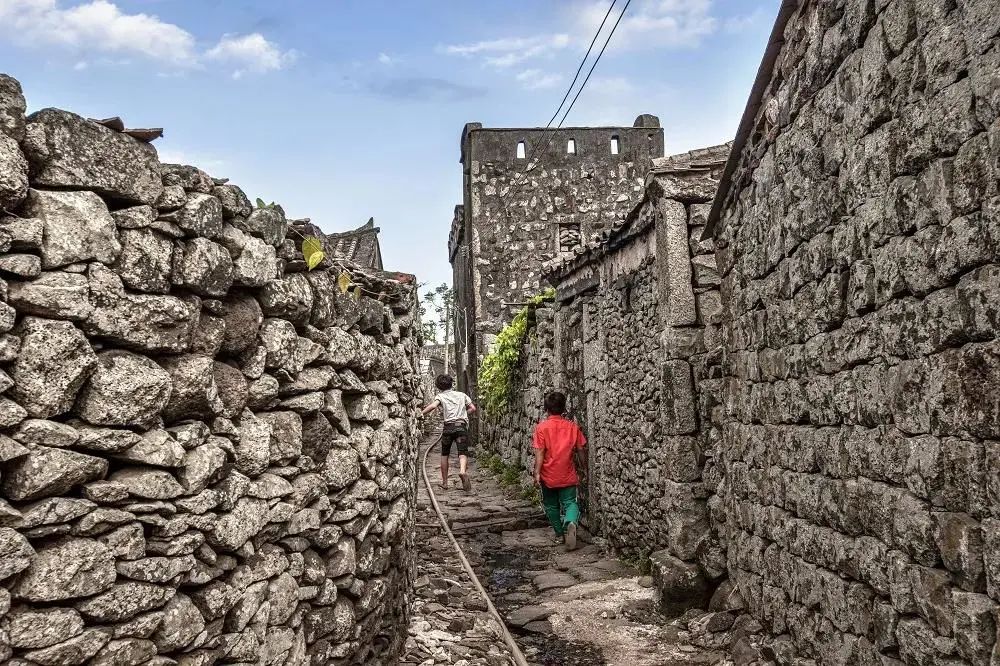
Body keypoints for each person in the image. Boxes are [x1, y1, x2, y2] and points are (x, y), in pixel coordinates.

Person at [532, 391, 586, 551]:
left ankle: (559, 535)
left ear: (546, 409)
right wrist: (584, 468)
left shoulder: (541, 428)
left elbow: (540, 452)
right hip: (567, 473)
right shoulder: (572, 427)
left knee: (551, 505)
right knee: (570, 503)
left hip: (548, 475)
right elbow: (581, 449)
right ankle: (570, 522)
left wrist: (537, 472)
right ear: (563, 409)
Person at [418, 375, 477, 491]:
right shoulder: (461, 395)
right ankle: (462, 471)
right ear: (452, 384)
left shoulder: (440, 396)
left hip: (448, 428)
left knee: (445, 454)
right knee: (462, 452)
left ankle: (445, 483)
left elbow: (433, 406)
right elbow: (473, 408)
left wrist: (420, 414)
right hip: (461, 427)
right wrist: (464, 414)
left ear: (439, 386)